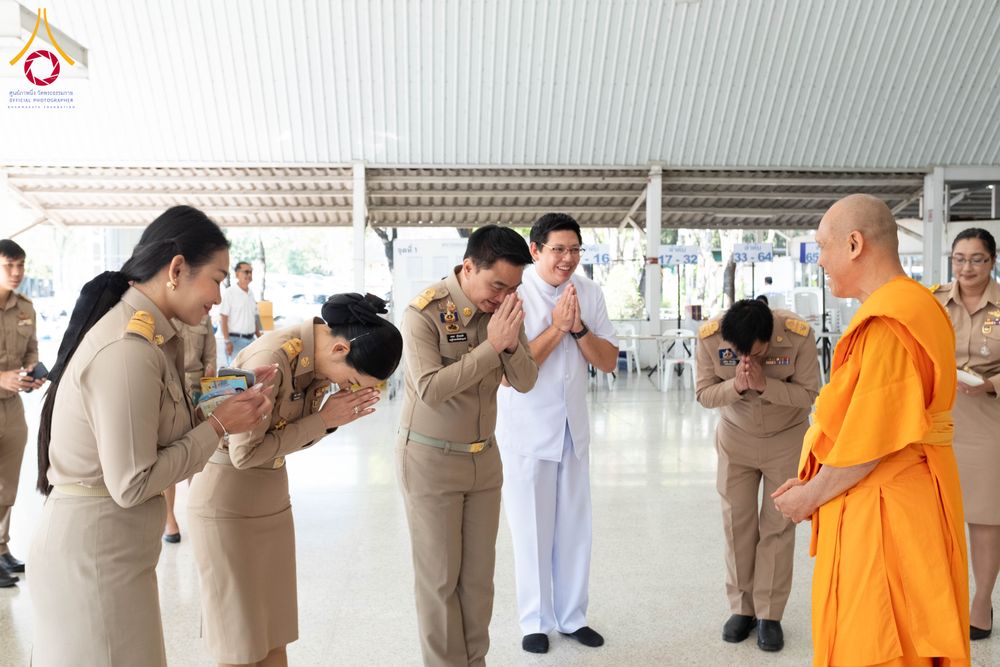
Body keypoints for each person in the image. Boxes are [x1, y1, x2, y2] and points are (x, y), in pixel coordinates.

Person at [29, 206, 274, 667]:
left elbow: (162, 426)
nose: (219, 298)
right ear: (177, 269)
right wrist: (221, 426)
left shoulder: (155, 339)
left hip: (114, 555)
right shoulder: (128, 348)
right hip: (94, 559)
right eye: (218, 279)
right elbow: (133, 483)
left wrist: (230, 391)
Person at [773, 194, 970, 666]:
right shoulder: (916, 304)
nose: (818, 259)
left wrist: (810, 495)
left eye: (823, 247)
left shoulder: (888, 322)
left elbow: (871, 444)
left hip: (887, 505)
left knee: (881, 639)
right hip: (899, 491)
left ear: (855, 244)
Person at [188, 292, 401, 667]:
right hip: (228, 508)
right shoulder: (269, 360)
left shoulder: (313, 362)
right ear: (338, 348)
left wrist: (325, 421)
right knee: (239, 641)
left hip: (271, 501)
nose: (349, 389)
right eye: (352, 380)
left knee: (274, 634)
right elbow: (245, 453)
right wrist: (325, 419)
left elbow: (283, 438)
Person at [398, 224, 538, 666]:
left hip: (483, 461)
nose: (503, 297)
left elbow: (526, 380)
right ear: (468, 267)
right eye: (497, 285)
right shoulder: (423, 313)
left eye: (512, 288)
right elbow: (429, 388)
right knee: (439, 582)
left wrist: (509, 343)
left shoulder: (506, 313)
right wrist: (490, 348)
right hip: (430, 460)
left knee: (478, 582)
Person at [494, 213, 618, 655]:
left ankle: (572, 617)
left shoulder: (589, 292)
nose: (568, 259)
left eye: (575, 250)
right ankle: (535, 620)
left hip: (572, 429)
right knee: (530, 529)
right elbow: (509, 374)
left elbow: (607, 359)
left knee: (574, 528)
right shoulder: (514, 296)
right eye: (558, 250)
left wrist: (579, 327)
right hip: (527, 433)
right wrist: (558, 328)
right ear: (536, 251)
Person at [696, 298, 819, 652]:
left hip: (786, 439)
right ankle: (742, 608)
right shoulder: (710, 338)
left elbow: (809, 394)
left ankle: (769, 614)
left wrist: (766, 385)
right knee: (738, 523)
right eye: (740, 354)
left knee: (778, 526)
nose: (748, 360)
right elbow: (704, 394)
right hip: (736, 439)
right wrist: (735, 387)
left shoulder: (797, 334)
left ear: (770, 335)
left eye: (757, 352)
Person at [932, 227, 1000, 640]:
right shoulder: (935, 301)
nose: (967, 267)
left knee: (985, 518)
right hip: (939, 419)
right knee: (938, 517)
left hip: (989, 419)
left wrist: (991, 385)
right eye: (959, 258)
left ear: (992, 261)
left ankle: (981, 602)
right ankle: (943, 600)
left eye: (976, 259)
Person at [0, 239, 44, 587]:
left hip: (12, 406)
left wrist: (31, 373)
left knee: (8, 484)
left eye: (20, 266)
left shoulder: (25, 307)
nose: (16, 273)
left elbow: (31, 349)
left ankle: (1, 549)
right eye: (8, 266)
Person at [162, 313, 217, 543]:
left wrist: (210, 373)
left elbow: (210, 354)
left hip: (196, 391)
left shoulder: (202, 316)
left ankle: (198, 514)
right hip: (170, 388)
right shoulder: (163, 312)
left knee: (196, 453)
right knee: (170, 454)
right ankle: (169, 519)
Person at [220, 261, 261, 362]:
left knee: (251, 374)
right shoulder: (230, 292)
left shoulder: (251, 293)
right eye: (246, 272)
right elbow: (223, 318)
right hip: (235, 342)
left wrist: (259, 337)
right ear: (237, 274)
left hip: (251, 341)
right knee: (237, 376)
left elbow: (254, 319)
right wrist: (227, 341)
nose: (249, 275)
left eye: (251, 272)